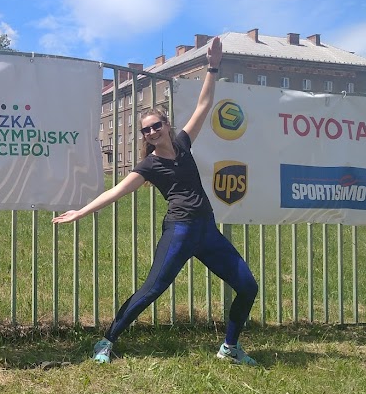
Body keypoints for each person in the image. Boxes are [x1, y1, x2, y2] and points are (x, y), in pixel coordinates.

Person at [53, 37, 258, 365]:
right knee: (153, 289)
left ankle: (229, 348)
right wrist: (80, 212)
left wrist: (212, 67)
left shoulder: (183, 143)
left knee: (247, 286)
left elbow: (204, 105)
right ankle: (107, 340)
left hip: (206, 230)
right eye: (146, 130)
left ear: (166, 125)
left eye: (155, 126)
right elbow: (115, 191)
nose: (151, 132)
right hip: (180, 231)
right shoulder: (149, 165)